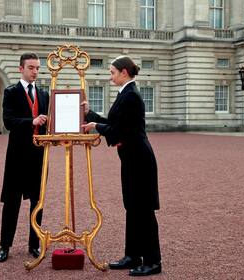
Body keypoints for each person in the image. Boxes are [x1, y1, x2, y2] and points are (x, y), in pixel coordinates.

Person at [82, 56, 162, 276]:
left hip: (140, 160)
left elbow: (121, 131)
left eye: (112, 72)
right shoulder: (125, 94)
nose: (111, 76)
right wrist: (91, 115)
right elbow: (114, 123)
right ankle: (133, 255)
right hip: (131, 158)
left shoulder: (131, 96)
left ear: (124, 72)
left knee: (144, 211)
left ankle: (153, 261)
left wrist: (95, 125)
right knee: (132, 208)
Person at [0, 53, 49, 262]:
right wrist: (32, 121)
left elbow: (50, 123)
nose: (35, 72)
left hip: (39, 156)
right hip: (17, 156)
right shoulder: (11, 93)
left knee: (38, 202)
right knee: (12, 202)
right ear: (21, 69)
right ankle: (4, 245)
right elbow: (8, 121)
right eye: (31, 68)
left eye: (37, 68)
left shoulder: (44, 95)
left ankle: (34, 245)